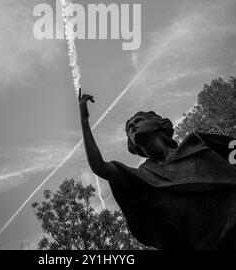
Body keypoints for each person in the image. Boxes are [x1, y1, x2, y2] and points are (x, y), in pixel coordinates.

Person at [79, 89, 236, 250]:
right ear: (133, 146)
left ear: (159, 124)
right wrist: (84, 121)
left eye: (138, 120)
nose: (132, 126)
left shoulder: (198, 143)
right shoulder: (143, 178)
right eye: (128, 130)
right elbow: (99, 167)